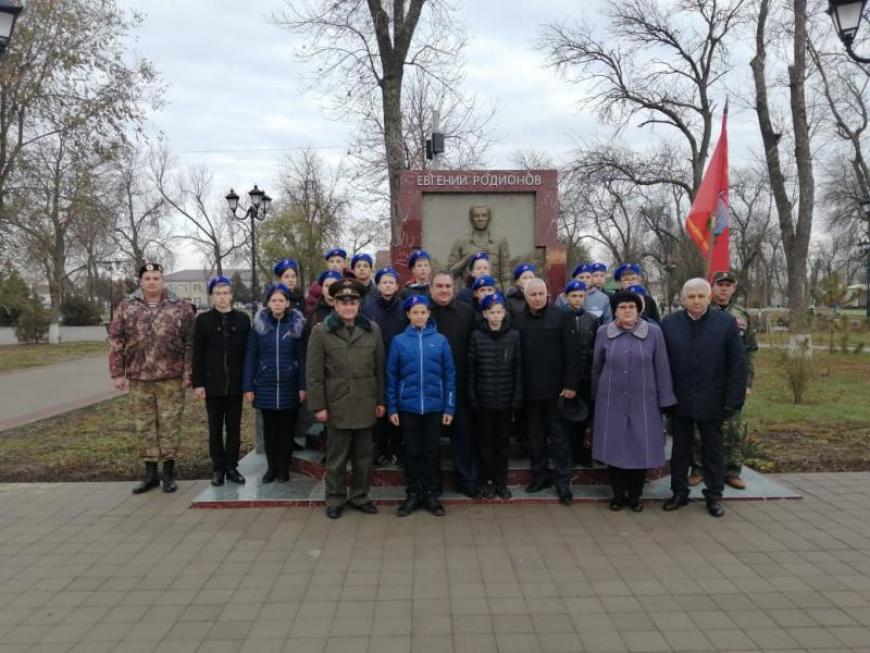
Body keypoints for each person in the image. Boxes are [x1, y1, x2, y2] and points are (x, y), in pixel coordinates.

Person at [661, 278, 747, 518]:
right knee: (680, 450)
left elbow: (738, 365)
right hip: (679, 400)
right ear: (682, 299)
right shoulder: (669, 324)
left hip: (714, 400)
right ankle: (679, 492)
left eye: (701, 296)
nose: (696, 301)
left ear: (709, 298)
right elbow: (661, 364)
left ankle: (714, 494)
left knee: (713, 450)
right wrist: (664, 397)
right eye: (691, 297)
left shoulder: (726, 323)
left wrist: (733, 400)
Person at [109, 262, 195, 494]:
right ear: (140, 281)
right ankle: (150, 475)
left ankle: (168, 474)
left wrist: (188, 373)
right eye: (147, 278)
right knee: (144, 425)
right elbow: (116, 340)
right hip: (139, 376)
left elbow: (190, 343)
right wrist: (117, 372)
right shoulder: (126, 306)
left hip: (171, 376)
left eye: (156, 278)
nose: (152, 282)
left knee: (170, 424)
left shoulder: (181, 306)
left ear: (162, 280)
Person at [307, 279, 386, 519]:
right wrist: (318, 406)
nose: (348, 307)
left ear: (359, 304)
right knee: (336, 457)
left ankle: (360, 496)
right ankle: (335, 498)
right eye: (343, 302)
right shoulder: (321, 331)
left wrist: (381, 401)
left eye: (353, 302)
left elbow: (379, 369)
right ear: (335, 305)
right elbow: (314, 373)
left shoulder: (373, 329)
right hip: (337, 403)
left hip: (366, 402)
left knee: (363, 457)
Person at [591, 290, 676, 512]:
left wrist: (665, 399)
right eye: (622, 307)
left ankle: (636, 496)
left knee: (640, 448)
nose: (627, 311)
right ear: (615, 311)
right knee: (614, 447)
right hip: (611, 401)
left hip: (644, 403)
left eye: (631, 307)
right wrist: (595, 396)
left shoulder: (654, 332)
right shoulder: (603, 332)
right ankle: (618, 495)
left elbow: (662, 367)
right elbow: (597, 367)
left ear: (639, 309)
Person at [387, 295, 456, 517]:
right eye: (414, 312)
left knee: (431, 451)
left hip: (434, 407)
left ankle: (431, 494)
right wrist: (392, 407)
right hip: (408, 407)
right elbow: (392, 376)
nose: (419, 316)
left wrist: (449, 407)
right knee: (413, 451)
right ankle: (413, 493)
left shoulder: (441, 340)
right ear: (408, 315)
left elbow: (449, 375)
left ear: (428, 314)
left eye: (423, 312)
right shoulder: (399, 341)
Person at [513, 278, 579, 505]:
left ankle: (562, 481)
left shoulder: (562, 317)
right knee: (536, 438)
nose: (538, 298)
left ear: (547, 294)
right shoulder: (518, 320)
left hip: (557, 392)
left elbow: (573, 353)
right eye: (533, 294)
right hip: (531, 393)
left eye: (541, 293)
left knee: (559, 438)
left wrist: (571, 384)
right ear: (526, 297)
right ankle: (540, 476)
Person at [242, 283, 306, 483]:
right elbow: (251, 356)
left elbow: (303, 358)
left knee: (287, 430)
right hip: (266, 384)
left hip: (290, 385)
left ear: (287, 303)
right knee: (270, 431)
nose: (277, 304)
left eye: (281, 300)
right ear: (268, 303)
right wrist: (248, 387)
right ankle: (271, 468)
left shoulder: (297, 326)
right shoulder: (259, 327)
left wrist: (303, 385)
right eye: (274, 300)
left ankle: (284, 469)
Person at [192, 276, 251, 486]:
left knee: (234, 428)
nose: (222, 297)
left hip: (235, 385)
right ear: (211, 296)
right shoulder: (203, 320)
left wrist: (248, 385)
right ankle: (218, 467)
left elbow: (248, 354)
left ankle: (232, 467)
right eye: (218, 293)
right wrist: (198, 383)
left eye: (226, 293)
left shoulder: (243, 319)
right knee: (215, 428)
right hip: (212, 384)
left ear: (232, 295)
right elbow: (197, 353)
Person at [429, 271, 480, 497]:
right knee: (431, 440)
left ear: (454, 288)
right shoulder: (422, 313)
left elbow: (475, 349)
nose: (443, 290)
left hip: (459, 387)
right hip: (429, 387)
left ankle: (466, 481)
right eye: (439, 286)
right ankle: (433, 484)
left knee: (464, 437)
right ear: (431, 289)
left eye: (448, 286)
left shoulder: (467, 312)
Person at [468, 293, 522, 499]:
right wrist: (473, 395)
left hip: (505, 401)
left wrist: (517, 396)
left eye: (499, 312)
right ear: (485, 313)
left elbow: (518, 368)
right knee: (484, 444)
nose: (496, 316)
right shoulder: (476, 336)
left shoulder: (513, 336)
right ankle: (486, 481)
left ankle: (501, 482)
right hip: (484, 401)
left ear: (504, 313)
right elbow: (471, 369)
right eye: (492, 312)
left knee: (502, 444)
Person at [710, 270, 758, 490]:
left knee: (733, 427)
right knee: (701, 428)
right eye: (720, 284)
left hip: (734, 379)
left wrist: (747, 381)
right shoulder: (703, 310)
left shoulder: (742, 315)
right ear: (712, 286)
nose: (723, 288)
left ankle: (732, 471)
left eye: (728, 285)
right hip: (708, 378)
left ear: (733, 288)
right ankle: (699, 468)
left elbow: (750, 350)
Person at [362, 267, 407, 466]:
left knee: (396, 406)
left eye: (392, 282)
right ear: (378, 285)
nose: (388, 285)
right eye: (384, 282)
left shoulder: (404, 307)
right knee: (379, 406)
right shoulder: (368, 307)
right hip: (375, 364)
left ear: (397, 286)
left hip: (399, 364)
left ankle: (397, 447)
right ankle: (380, 448)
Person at [559, 280, 601, 466]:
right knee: (567, 415)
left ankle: (582, 452)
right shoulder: (560, 317)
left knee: (585, 416)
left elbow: (596, 347)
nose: (577, 299)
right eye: (573, 295)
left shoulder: (592, 320)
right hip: (567, 377)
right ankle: (566, 452)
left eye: (580, 296)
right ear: (567, 297)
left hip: (586, 375)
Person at [447, 204, 512, 288]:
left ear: (489, 218)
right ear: (471, 219)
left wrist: (507, 300)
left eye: (484, 216)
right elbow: (450, 273)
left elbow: (506, 276)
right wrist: (468, 257)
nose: (480, 219)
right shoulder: (460, 242)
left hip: (494, 291)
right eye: (476, 216)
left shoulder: (500, 242)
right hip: (469, 291)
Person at [305, 248, 349, 315]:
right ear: (327, 264)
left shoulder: (351, 283)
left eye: (338, 261)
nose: (335, 265)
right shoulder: (316, 287)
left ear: (345, 263)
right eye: (331, 261)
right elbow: (310, 308)